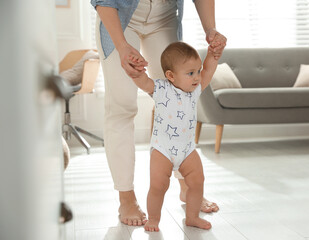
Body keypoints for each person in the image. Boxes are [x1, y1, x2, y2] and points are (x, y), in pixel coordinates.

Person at [90, 0, 227, 226]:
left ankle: (187, 187)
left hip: (165, 13)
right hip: (120, 13)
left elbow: (203, 74)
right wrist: (122, 47)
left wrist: (211, 30)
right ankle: (126, 197)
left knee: (180, 90)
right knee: (121, 106)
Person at [129, 41, 219, 231]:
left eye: (197, 71)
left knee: (197, 181)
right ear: (170, 76)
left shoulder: (194, 90)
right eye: (190, 73)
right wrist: (137, 72)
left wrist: (213, 54)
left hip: (187, 149)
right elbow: (143, 82)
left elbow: (209, 71)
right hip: (163, 149)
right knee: (158, 186)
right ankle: (153, 218)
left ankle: (192, 217)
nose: (197, 77)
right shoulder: (161, 89)